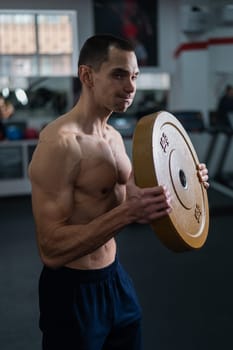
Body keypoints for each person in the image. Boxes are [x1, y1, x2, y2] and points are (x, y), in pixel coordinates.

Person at [28, 34, 209, 350]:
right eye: (118, 74)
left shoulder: (113, 138)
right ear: (87, 76)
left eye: (135, 76)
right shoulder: (60, 144)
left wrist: (187, 181)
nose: (131, 87)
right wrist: (128, 212)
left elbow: (133, 204)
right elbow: (51, 250)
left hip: (115, 280)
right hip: (73, 291)